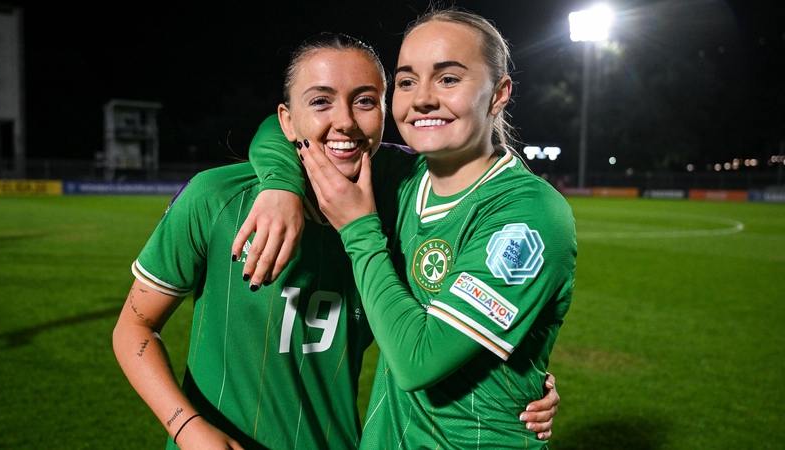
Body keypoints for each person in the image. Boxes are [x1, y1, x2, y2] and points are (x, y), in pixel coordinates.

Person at [113, 32, 558, 449]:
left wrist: (521, 380)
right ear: (288, 120)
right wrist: (186, 427)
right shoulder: (217, 198)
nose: (344, 122)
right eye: (320, 101)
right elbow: (134, 327)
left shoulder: (402, 204)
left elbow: (452, 323)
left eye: (364, 101)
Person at [236, 9, 576, 449]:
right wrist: (280, 186)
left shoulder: (528, 213)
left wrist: (359, 229)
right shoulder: (400, 176)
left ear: (499, 94)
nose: (423, 99)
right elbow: (279, 127)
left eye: (448, 79)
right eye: (407, 81)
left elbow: (419, 361)